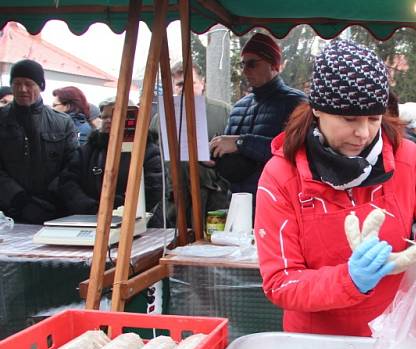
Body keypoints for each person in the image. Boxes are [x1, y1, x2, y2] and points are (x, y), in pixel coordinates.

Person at [254, 40, 416, 337]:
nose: (363, 133)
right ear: (317, 110)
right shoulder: (281, 177)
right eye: (349, 119)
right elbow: (280, 282)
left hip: (394, 339)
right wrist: (348, 279)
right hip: (315, 344)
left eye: (374, 118)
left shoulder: (407, 160)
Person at [209, 32, 305, 209]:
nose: (245, 70)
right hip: (238, 204)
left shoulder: (296, 102)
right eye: (243, 64)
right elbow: (231, 156)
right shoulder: (239, 106)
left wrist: (241, 142)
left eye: (252, 64)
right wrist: (213, 157)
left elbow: (298, 150)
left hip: (279, 204)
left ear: (273, 65)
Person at [151, 61, 233, 227]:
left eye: (191, 83)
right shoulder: (160, 119)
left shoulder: (224, 112)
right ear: (174, 87)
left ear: (202, 84)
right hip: (175, 200)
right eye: (180, 84)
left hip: (214, 199)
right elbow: (152, 157)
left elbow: (237, 157)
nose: (185, 88)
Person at [59, 100, 164, 226]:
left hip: (136, 223)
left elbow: (153, 189)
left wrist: (115, 208)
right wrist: (90, 208)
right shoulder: (87, 150)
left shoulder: (148, 151)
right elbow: (68, 182)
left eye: (114, 116)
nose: (108, 120)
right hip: (89, 220)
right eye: (104, 117)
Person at [0, 59, 77, 224]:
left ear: (41, 86)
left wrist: (51, 195)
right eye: (17, 83)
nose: (22, 89)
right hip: (8, 211)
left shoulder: (62, 122)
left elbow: (71, 164)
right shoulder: (2, 119)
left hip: (52, 209)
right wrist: (18, 198)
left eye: (29, 84)